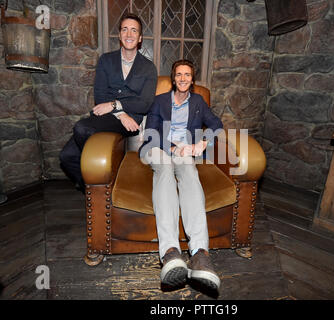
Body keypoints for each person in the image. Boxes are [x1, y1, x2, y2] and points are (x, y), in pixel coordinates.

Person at [139, 60, 223, 292]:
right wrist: (173, 148)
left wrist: (202, 143)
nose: (183, 78)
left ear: (192, 80)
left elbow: (216, 124)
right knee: (165, 168)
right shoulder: (160, 101)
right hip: (158, 148)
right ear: (173, 78)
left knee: (190, 172)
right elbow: (151, 133)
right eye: (179, 74)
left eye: (187, 75)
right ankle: (170, 252)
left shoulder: (198, 102)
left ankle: (200, 253)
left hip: (186, 152)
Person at [60, 13, 157, 192]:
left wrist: (115, 105)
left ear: (140, 38)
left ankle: (101, 190)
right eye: (125, 29)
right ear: (119, 35)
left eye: (134, 30)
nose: (129, 34)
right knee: (66, 157)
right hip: (110, 116)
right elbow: (100, 95)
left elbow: (145, 103)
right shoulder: (106, 60)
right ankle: (93, 190)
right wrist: (120, 113)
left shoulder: (149, 67)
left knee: (81, 128)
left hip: (131, 122)